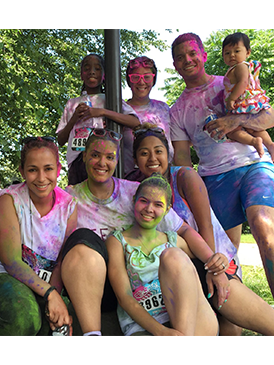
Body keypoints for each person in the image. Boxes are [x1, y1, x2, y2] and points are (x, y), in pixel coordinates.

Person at [169, 32, 274, 327]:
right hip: (213, 179)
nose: (187, 60)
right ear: (175, 65)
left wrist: (235, 121)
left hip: (254, 164)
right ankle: (233, 320)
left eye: (192, 53)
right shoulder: (176, 110)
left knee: (264, 227)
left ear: (202, 55)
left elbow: (270, 117)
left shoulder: (229, 78)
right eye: (179, 57)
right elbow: (183, 161)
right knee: (227, 256)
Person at [106, 173, 274, 336]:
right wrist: (162, 332)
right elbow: (124, 297)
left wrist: (216, 263)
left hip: (191, 323)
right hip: (147, 328)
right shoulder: (117, 241)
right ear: (134, 201)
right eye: (143, 201)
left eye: (158, 204)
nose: (149, 208)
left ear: (167, 209)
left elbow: (202, 263)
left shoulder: (172, 239)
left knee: (173, 256)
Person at [59, 128, 216, 336]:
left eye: (109, 157)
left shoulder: (135, 192)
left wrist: (215, 266)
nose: (102, 163)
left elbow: (184, 229)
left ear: (116, 161)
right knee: (83, 239)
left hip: (144, 280)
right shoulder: (67, 198)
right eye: (95, 155)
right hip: (99, 287)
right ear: (85, 156)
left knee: (187, 262)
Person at [132, 124, 242, 335]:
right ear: (136, 160)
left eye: (158, 151)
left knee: (228, 319)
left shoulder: (184, 177)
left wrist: (212, 267)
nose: (152, 158)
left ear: (168, 154)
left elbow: (205, 225)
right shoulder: (139, 190)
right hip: (179, 262)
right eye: (144, 153)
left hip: (213, 253)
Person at [0, 136, 77, 335]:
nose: (41, 178)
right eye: (32, 170)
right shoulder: (10, 200)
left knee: (55, 329)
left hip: (45, 283)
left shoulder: (68, 205)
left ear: (58, 170)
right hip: (5, 275)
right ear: (22, 171)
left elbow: (60, 261)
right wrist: (50, 294)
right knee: (26, 316)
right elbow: (11, 261)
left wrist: (53, 295)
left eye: (48, 169)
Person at [56, 53, 140, 185]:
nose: (92, 72)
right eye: (87, 68)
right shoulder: (72, 103)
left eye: (97, 68)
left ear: (104, 74)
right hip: (78, 161)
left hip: (103, 160)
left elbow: (135, 122)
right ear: (81, 74)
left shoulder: (112, 100)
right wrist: (74, 118)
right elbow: (60, 140)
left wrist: (103, 112)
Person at [221, 32, 274, 161]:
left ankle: (254, 142)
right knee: (254, 128)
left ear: (247, 53)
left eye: (236, 51)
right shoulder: (235, 68)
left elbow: (243, 82)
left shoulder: (241, 66)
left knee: (232, 131)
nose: (232, 55)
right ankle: (270, 145)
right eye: (227, 53)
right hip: (245, 104)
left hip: (243, 103)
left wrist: (231, 98)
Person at [124, 56, 174, 181]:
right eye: (135, 77)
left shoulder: (163, 107)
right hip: (131, 181)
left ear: (153, 79)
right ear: (129, 81)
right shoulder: (121, 109)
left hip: (165, 177)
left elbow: (176, 144)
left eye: (147, 77)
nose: (141, 82)